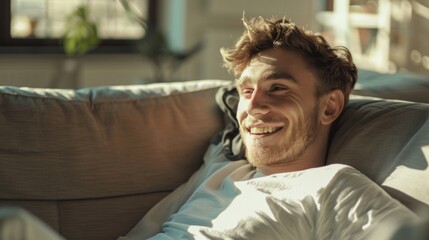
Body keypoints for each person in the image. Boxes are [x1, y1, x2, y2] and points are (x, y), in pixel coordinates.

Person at [0, 16, 425, 240]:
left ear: (330, 106)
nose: (252, 107)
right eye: (246, 90)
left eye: (278, 88)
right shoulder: (223, 167)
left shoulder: (331, 188)